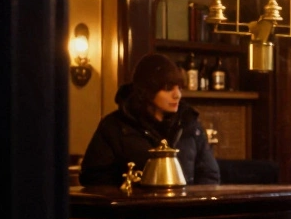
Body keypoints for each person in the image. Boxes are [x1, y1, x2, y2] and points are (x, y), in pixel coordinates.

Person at [79, 53, 220, 187]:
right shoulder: (115, 126)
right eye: (168, 88)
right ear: (147, 90)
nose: (177, 95)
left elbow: (209, 175)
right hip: (135, 210)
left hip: (185, 209)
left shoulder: (189, 124)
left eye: (179, 88)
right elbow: (94, 179)